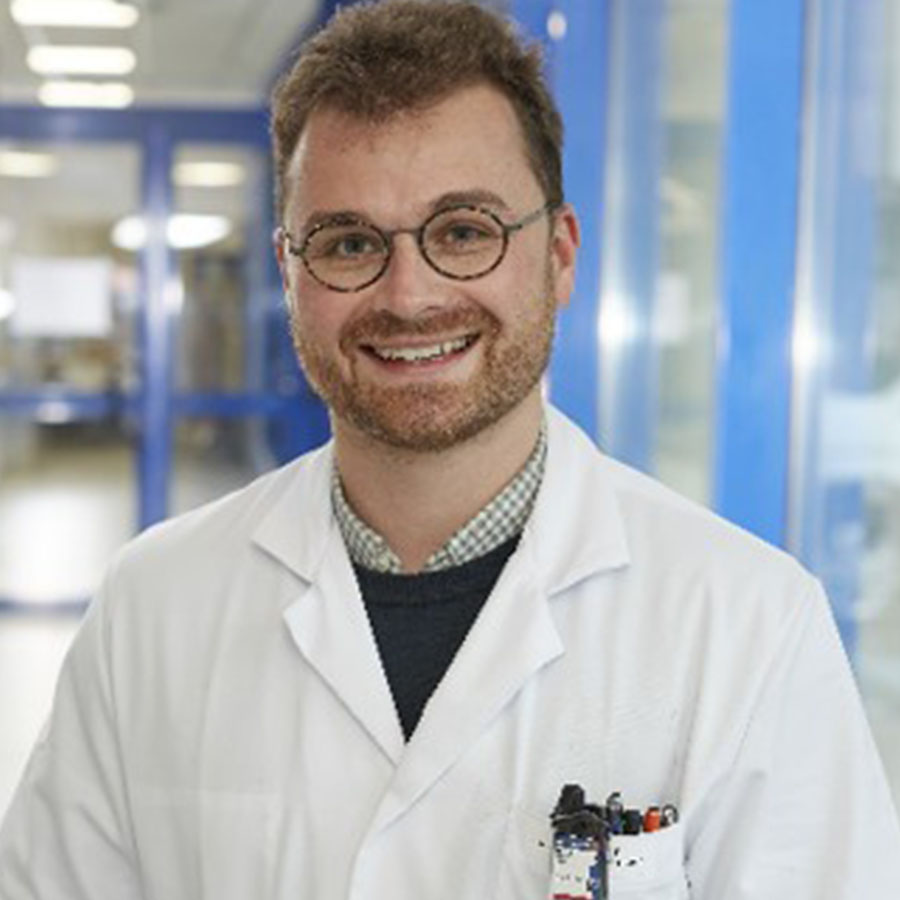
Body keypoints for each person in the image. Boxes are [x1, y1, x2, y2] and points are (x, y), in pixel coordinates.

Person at [1, 1, 899, 897]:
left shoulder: (748, 625)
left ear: (559, 255)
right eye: (349, 243)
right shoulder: (152, 608)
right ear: (290, 274)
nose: (409, 295)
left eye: (464, 231)